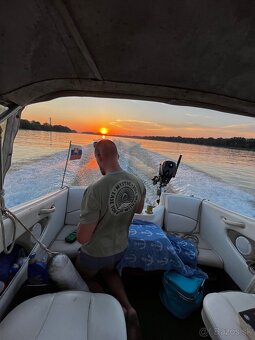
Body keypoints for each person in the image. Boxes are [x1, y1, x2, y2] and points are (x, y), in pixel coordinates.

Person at [76, 139, 146, 339]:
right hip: (120, 249)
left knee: (85, 275)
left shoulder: (95, 189)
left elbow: (82, 239)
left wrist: (81, 226)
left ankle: (116, 309)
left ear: (98, 157)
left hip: (95, 253)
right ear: (118, 155)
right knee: (110, 272)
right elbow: (138, 209)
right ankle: (129, 307)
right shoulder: (138, 182)